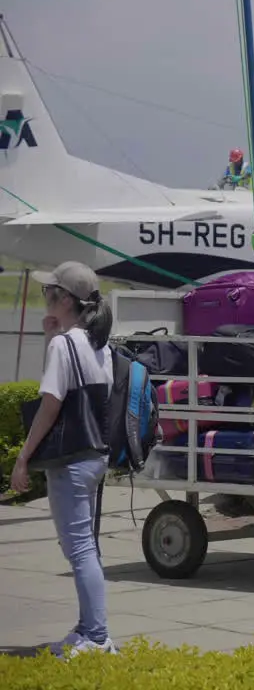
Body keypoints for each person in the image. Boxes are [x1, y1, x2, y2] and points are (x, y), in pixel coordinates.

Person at [9, 261, 118, 656]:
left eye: (48, 292)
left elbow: (50, 404)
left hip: (69, 461)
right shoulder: (97, 343)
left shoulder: (63, 345)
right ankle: (89, 627)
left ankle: (98, 635)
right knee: (85, 545)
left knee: (79, 549)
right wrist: (53, 335)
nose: (45, 297)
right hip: (94, 457)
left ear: (64, 299)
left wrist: (24, 458)